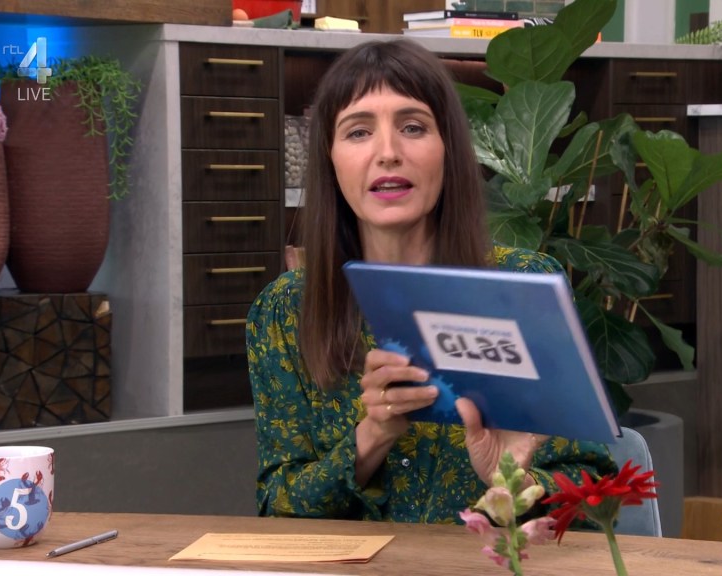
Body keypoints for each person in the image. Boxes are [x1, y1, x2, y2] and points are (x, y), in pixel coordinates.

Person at [246, 38, 617, 523]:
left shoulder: (525, 286)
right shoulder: (285, 309)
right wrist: (370, 437)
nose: (388, 153)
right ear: (330, 159)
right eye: (358, 132)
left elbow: (598, 499)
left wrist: (512, 482)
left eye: (413, 127)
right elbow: (277, 508)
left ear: (449, 150)